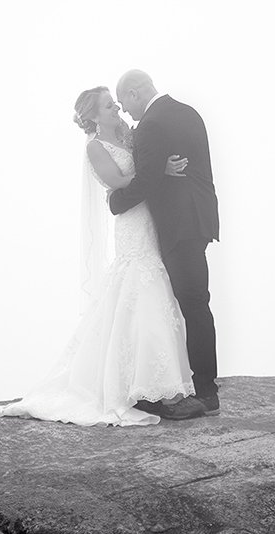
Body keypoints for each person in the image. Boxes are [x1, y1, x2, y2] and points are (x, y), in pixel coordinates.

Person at [0, 86, 195, 426]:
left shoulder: (128, 133)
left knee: (153, 293)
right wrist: (157, 171)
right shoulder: (95, 148)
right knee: (142, 291)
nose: (116, 108)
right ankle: (155, 390)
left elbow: (146, 165)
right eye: (109, 105)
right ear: (93, 115)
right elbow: (120, 181)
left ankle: (151, 384)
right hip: (132, 225)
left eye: (115, 103)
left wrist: (161, 167)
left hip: (151, 219)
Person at [109, 70, 221, 421]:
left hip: (178, 226)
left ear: (135, 92)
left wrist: (115, 201)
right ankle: (199, 383)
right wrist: (160, 170)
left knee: (192, 303)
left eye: (124, 102)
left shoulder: (151, 125)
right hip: (198, 219)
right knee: (193, 303)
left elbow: (144, 181)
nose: (124, 112)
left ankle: (206, 390)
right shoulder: (188, 112)